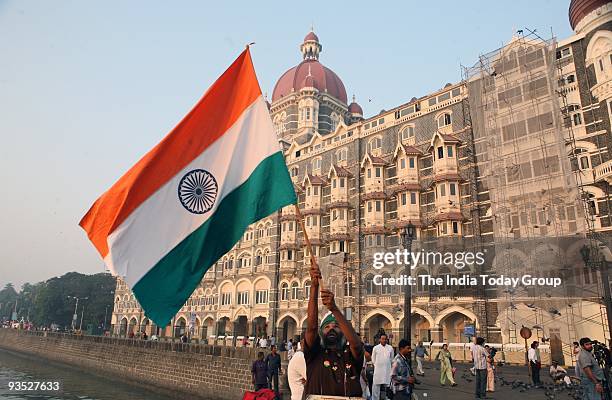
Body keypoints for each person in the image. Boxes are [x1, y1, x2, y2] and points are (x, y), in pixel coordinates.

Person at [303, 258, 364, 397]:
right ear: (321, 332)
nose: (331, 328)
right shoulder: (314, 354)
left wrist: (334, 309)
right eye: (327, 327)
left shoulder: (350, 355)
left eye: (336, 326)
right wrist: (314, 286)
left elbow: (355, 344)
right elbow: (311, 328)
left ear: (343, 332)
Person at [372, 333, 394, 400]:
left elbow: (391, 359)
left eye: (385, 339)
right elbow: (373, 359)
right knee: (376, 385)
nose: (384, 340)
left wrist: (387, 364)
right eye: (382, 339)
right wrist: (377, 365)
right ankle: (375, 398)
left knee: (387, 385)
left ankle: (385, 397)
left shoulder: (390, 348)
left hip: (387, 369)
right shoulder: (376, 348)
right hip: (378, 370)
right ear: (380, 340)